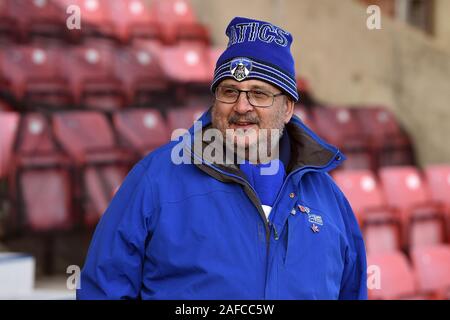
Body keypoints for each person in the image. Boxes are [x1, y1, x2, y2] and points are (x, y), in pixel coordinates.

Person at [77, 16, 367, 300]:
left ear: (288, 107)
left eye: (259, 94)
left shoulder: (329, 199)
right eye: (229, 92)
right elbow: (103, 289)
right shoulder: (156, 179)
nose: (242, 107)